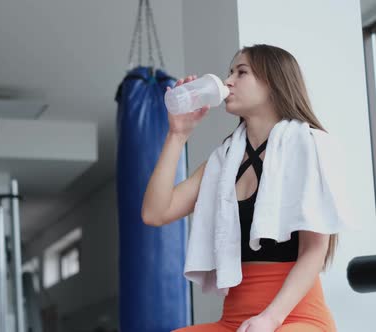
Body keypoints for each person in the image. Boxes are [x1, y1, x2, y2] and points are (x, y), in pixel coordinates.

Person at [141, 44, 338, 332]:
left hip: (296, 318)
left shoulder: (308, 147)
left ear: (273, 83)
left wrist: (270, 319)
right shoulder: (224, 162)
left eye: (241, 72)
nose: (228, 81)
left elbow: (314, 251)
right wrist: (177, 134)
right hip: (235, 320)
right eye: (230, 72)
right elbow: (155, 213)